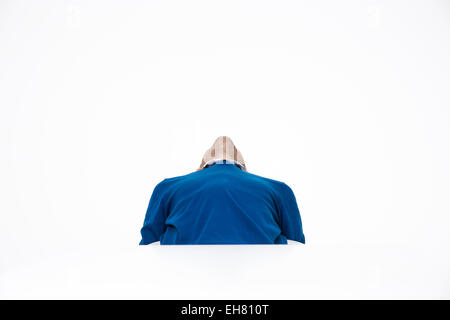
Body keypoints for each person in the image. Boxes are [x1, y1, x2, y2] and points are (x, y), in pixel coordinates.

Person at [139, 136, 305, 245]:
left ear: (200, 168)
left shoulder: (167, 188)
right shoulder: (279, 190)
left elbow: (147, 248)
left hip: (184, 281)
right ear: (244, 169)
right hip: (261, 284)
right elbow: (297, 250)